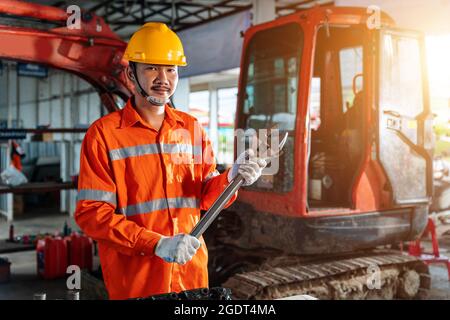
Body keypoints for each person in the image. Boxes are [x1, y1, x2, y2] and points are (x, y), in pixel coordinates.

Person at [74, 22, 266, 300]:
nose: (163, 78)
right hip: (138, 281)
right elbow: (92, 214)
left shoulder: (191, 129)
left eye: (171, 69)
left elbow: (204, 197)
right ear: (131, 73)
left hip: (190, 275)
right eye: (152, 67)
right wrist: (156, 243)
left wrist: (230, 179)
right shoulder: (103, 135)